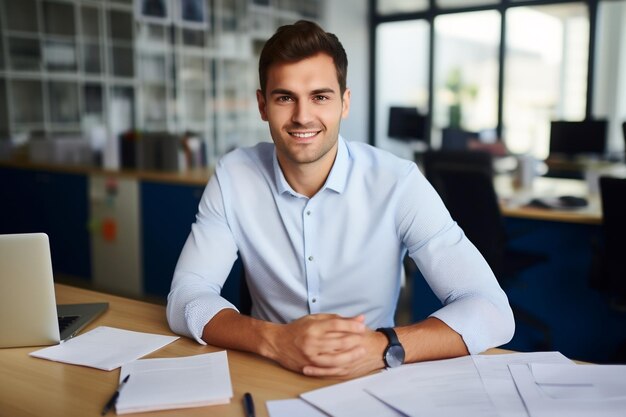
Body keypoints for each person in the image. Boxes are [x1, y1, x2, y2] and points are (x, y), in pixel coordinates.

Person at [167, 20, 514, 378]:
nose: (302, 116)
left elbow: (490, 309)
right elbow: (186, 298)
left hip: (371, 374)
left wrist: (384, 346)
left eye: (320, 97)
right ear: (262, 105)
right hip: (267, 370)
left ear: (344, 103)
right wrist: (274, 339)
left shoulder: (398, 182)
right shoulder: (233, 176)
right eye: (285, 97)